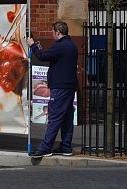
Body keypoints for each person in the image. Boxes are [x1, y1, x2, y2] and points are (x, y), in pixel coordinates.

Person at [26, 21, 78, 158]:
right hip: (69, 87)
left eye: (52, 32)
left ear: (58, 32)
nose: (52, 34)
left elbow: (42, 56)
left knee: (54, 117)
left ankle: (45, 147)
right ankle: (66, 147)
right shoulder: (71, 45)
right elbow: (53, 57)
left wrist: (32, 45)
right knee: (66, 117)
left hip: (60, 88)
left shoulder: (61, 46)